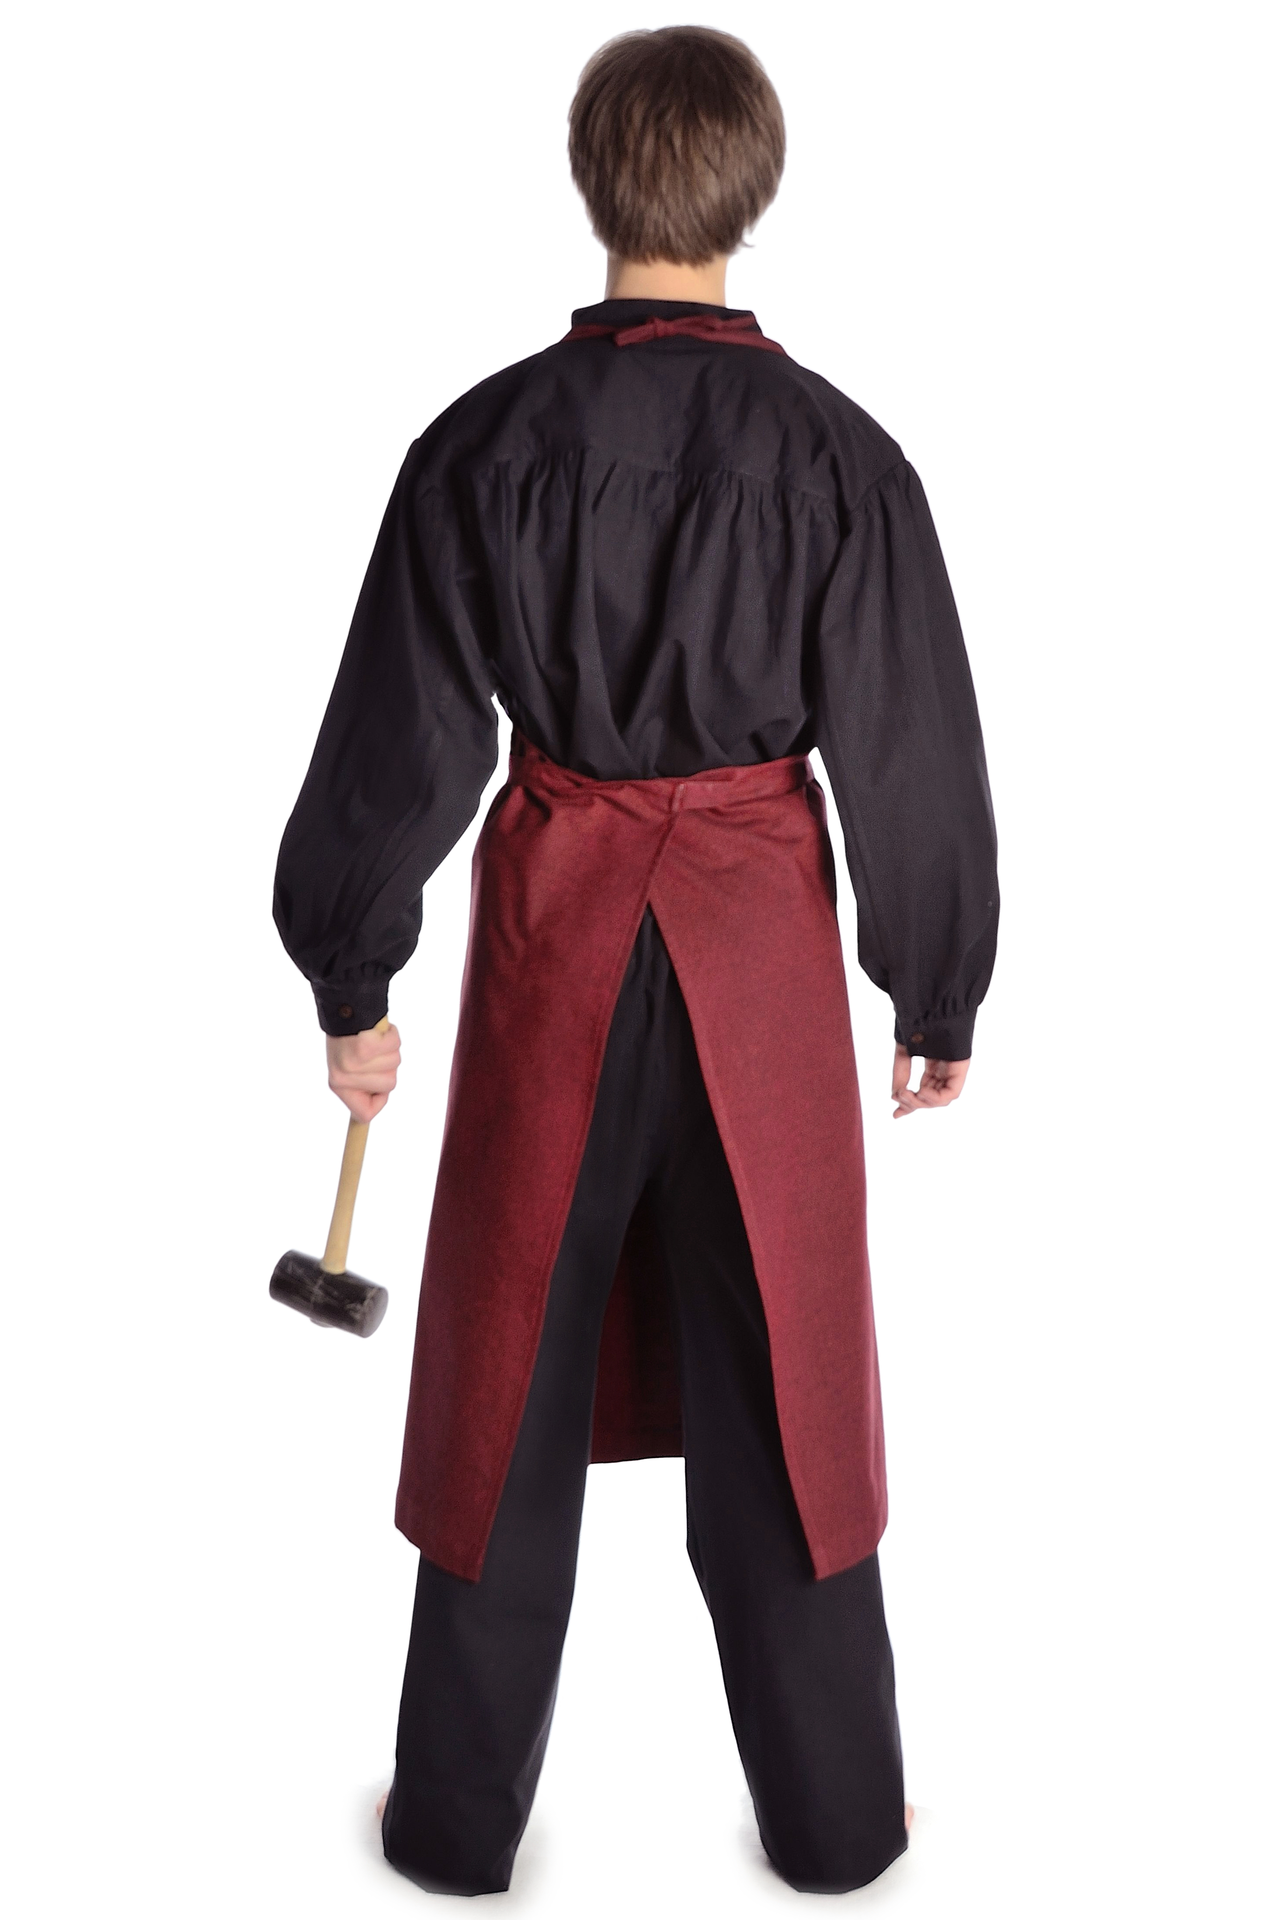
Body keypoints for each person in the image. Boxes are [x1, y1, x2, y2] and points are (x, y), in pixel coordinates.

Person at [273, 24, 998, 1898]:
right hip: (758, 958)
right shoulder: (844, 458)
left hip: (554, 941)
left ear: (592, 178)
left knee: (505, 1375)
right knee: (786, 1375)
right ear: (754, 193)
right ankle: (838, 1823)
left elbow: (401, 741)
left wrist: (355, 989)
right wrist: (935, 989)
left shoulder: (480, 446)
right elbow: (910, 740)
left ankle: (451, 1830)